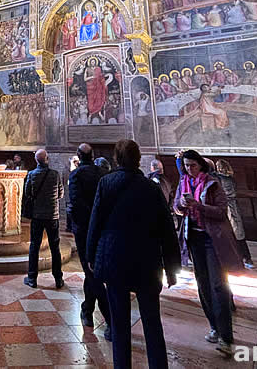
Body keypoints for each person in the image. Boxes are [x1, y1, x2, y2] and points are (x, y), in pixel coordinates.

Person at [87, 140, 181, 368]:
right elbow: (166, 229)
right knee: (152, 322)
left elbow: (95, 222)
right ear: (139, 159)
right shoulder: (151, 187)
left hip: (115, 259)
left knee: (119, 324)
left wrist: (91, 255)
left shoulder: (106, 183)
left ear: (116, 159)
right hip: (147, 261)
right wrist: (172, 267)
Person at [173, 149, 242, 356]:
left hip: (212, 239)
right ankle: (214, 326)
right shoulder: (184, 182)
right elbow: (176, 207)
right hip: (192, 238)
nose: (189, 169)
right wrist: (181, 206)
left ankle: (226, 337)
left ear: (201, 165)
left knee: (218, 285)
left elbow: (221, 212)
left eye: (192, 165)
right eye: (186, 166)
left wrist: (199, 206)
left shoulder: (213, 183)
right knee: (202, 284)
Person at [67, 144, 110, 336]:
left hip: (85, 230)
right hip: (101, 227)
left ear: (78, 156)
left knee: (91, 272)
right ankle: (86, 310)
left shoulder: (75, 175)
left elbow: (76, 203)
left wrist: (86, 222)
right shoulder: (102, 173)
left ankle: (110, 318)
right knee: (90, 270)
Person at [23, 148, 64, 289]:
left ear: (36, 161)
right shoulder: (55, 174)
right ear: (47, 158)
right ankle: (58, 279)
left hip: (37, 216)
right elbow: (60, 194)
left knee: (34, 246)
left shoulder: (32, 175)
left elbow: (27, 193)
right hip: (53, 215)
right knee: (55, 247)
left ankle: (32, 278)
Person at [214, 160, 254, 269]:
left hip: (230, 207)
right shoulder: (227, 178)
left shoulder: (224, 178)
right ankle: (241, 257)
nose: (217, 168)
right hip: (230, 206)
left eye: (218, 166)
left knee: (237, 233)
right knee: (235, 233)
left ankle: (246, 257)